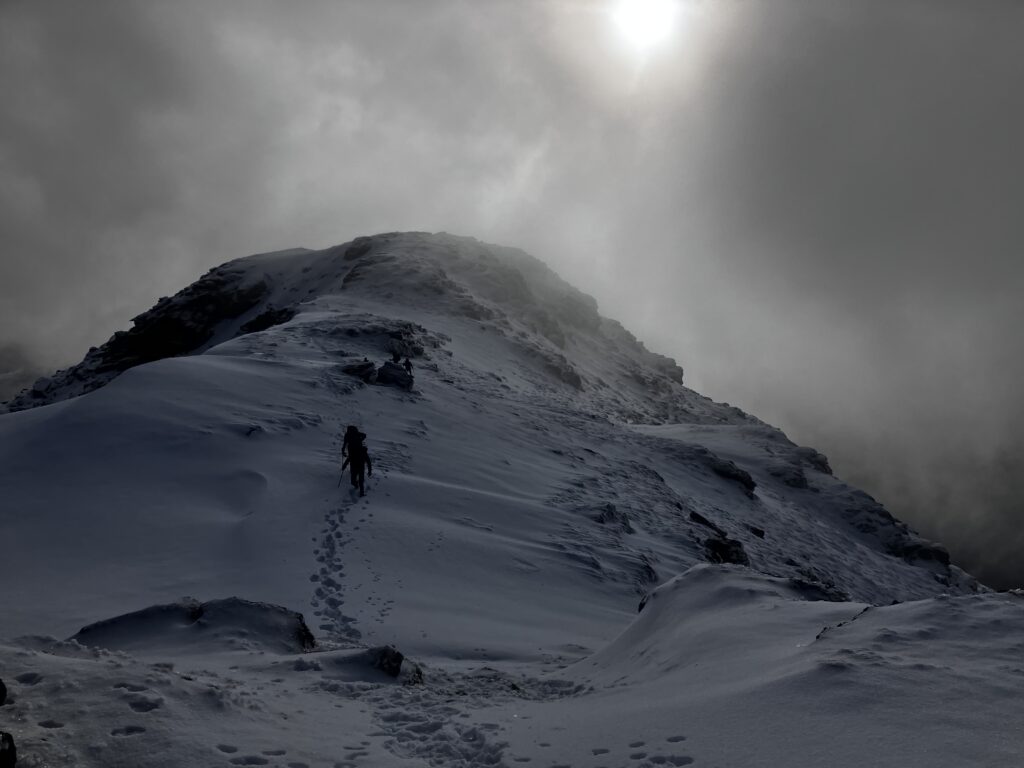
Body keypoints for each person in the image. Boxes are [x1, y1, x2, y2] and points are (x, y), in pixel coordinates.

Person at [342, 432, 372, 496]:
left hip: (361, 467)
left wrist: (369, 471)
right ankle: (356, 485)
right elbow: (348, 459)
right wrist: (344, 466)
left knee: (361, 481)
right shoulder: (354, 451)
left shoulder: (363, 452)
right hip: (354, 467)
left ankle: (362, 493)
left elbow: (368, 462)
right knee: (352, 481)